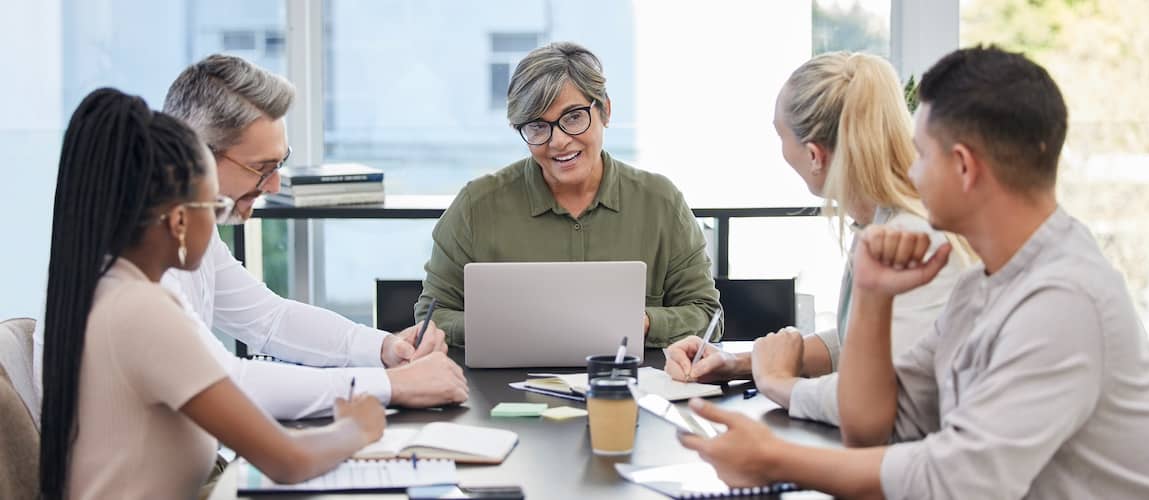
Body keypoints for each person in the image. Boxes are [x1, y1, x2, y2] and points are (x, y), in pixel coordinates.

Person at [677, 46, 1149, 499]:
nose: (910, 173)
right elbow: (880, 419)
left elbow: (955, 480)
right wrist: (870, 293)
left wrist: (776, 458)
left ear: (964, 168)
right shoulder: (984, 286)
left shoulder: (1063, 301)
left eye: (921, 154)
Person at [33, 54, 469, 421]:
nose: (276, 186)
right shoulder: (137, 271)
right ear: (195, 154)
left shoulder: (180, 240)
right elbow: (230, 381)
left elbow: (270, 319)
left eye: (281, 163)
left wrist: (385, 348)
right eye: (262, 168)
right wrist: (390, 385)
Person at [39, 88, 386, 499]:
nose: (222, 220)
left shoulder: (107, 286)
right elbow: (288, 459)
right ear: (180, 222)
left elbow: (269, 317)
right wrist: (357, 426)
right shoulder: (140, 310)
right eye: (214, 206)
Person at [664, 52, 971, 425]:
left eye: (780, 135)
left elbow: (882, 403)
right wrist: (738, 363)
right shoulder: (883, 223)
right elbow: (867, 342)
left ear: (813, 155)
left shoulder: (911, 241)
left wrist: (779, 382)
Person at [415, 41, 722, 348]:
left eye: (573, 117)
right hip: (503, 387)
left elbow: (707, 316)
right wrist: (504, 326)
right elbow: (432, 317)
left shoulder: (661, 203)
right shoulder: (475, 207)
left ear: (605, 110)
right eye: (537, 126)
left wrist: (642, 323)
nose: (559, 141)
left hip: (631, 388)